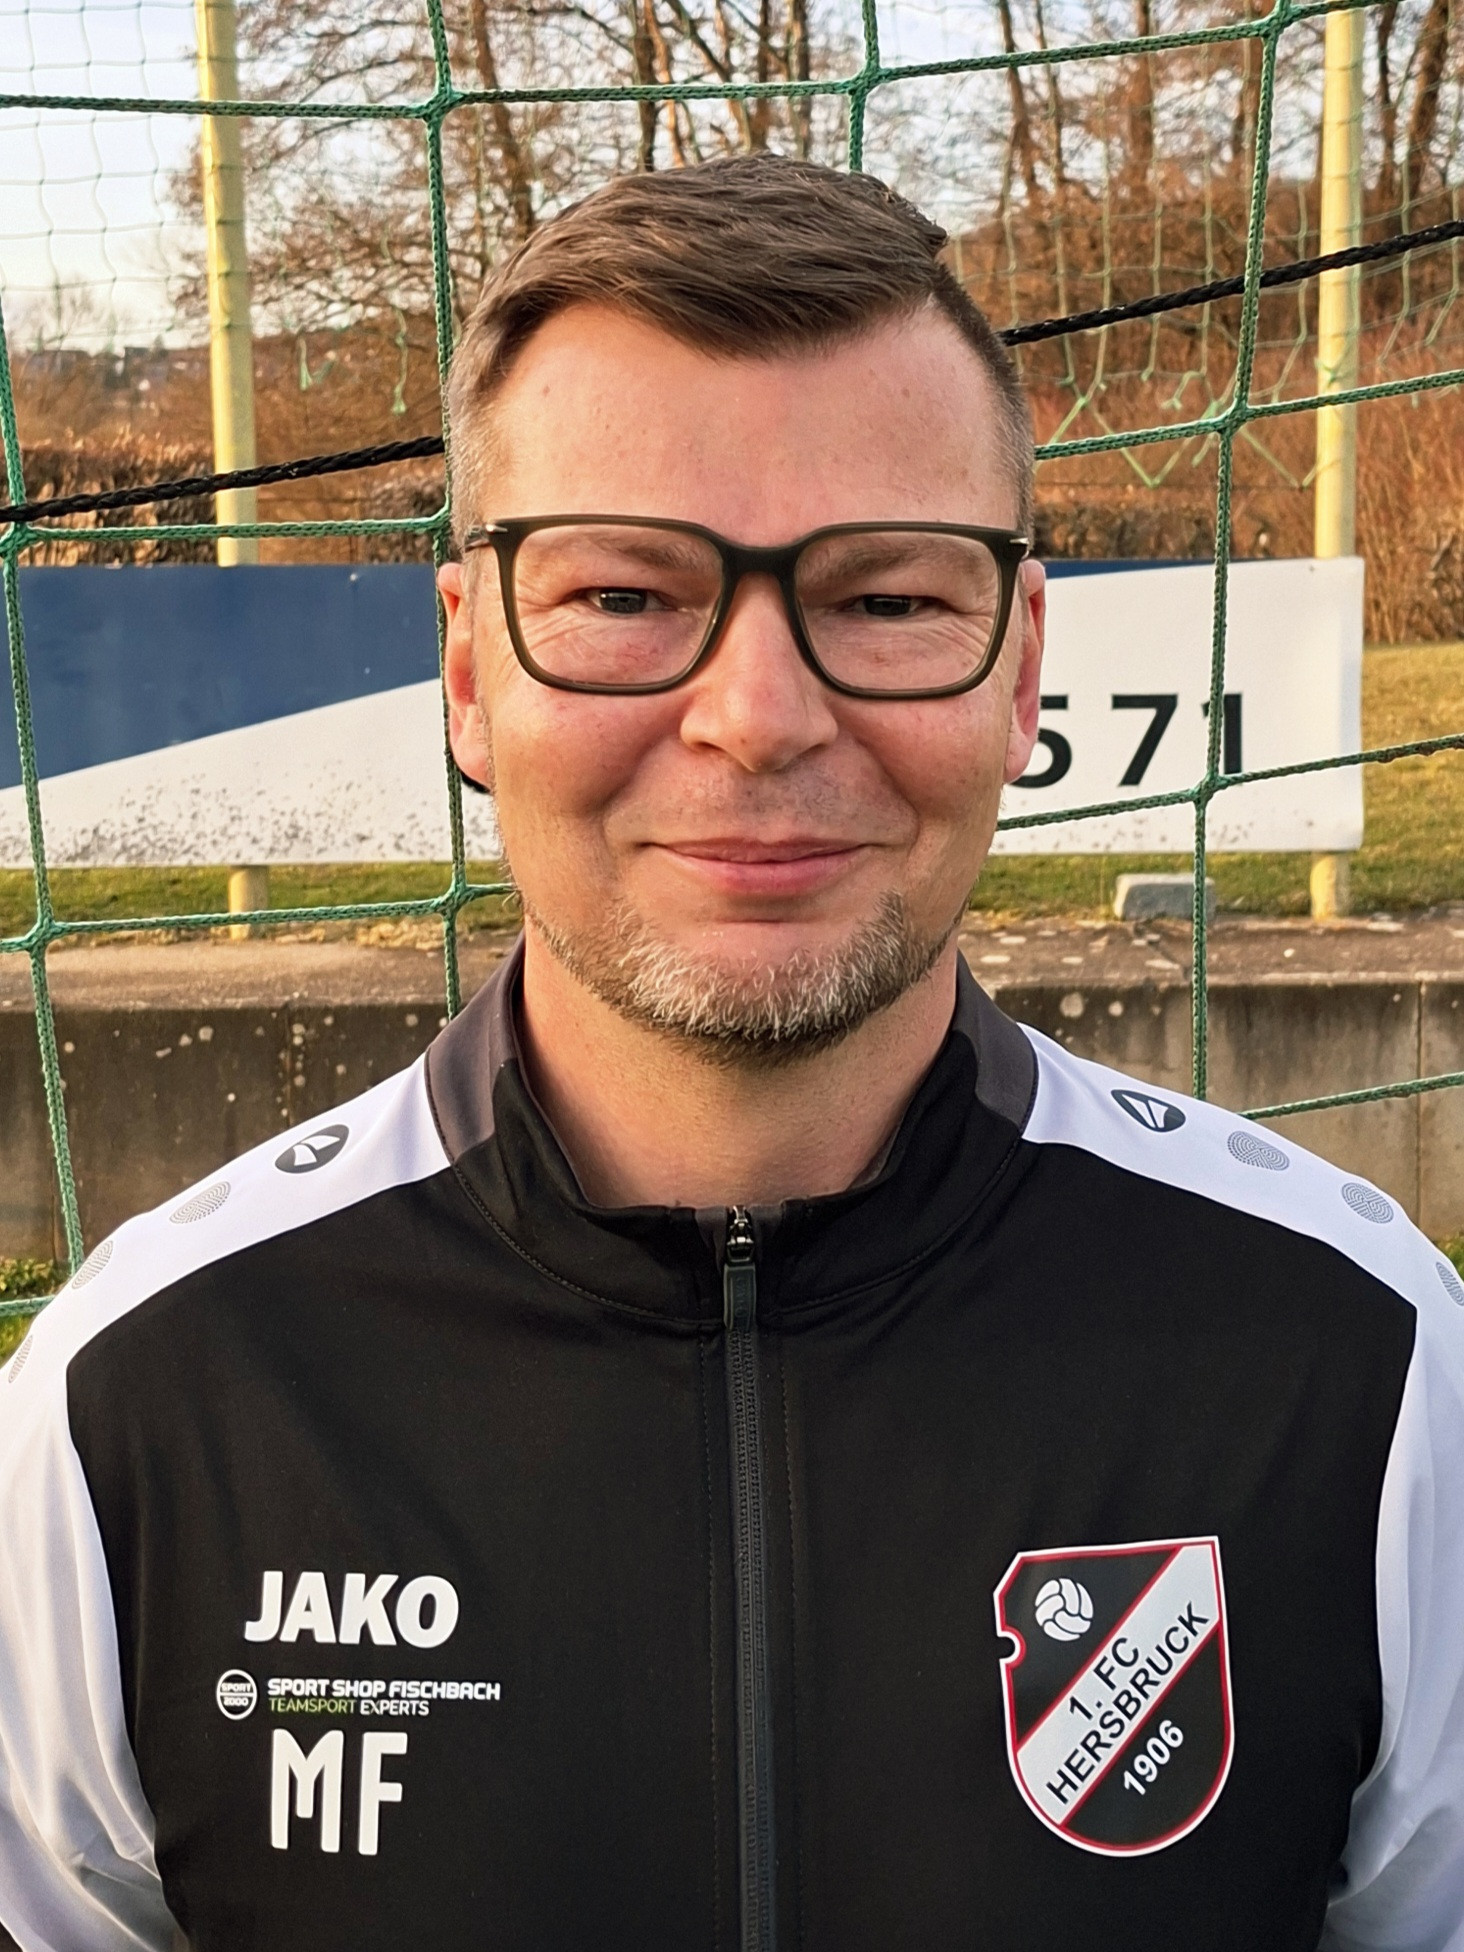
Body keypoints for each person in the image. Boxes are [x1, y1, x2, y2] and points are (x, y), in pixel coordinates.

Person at [1, 154, 1462, 1952]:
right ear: (467, 671)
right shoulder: (138, 1395)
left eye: (889, 599)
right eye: (622, 597)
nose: (760, 718)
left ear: (1020, 672)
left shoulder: (1364, 1358)